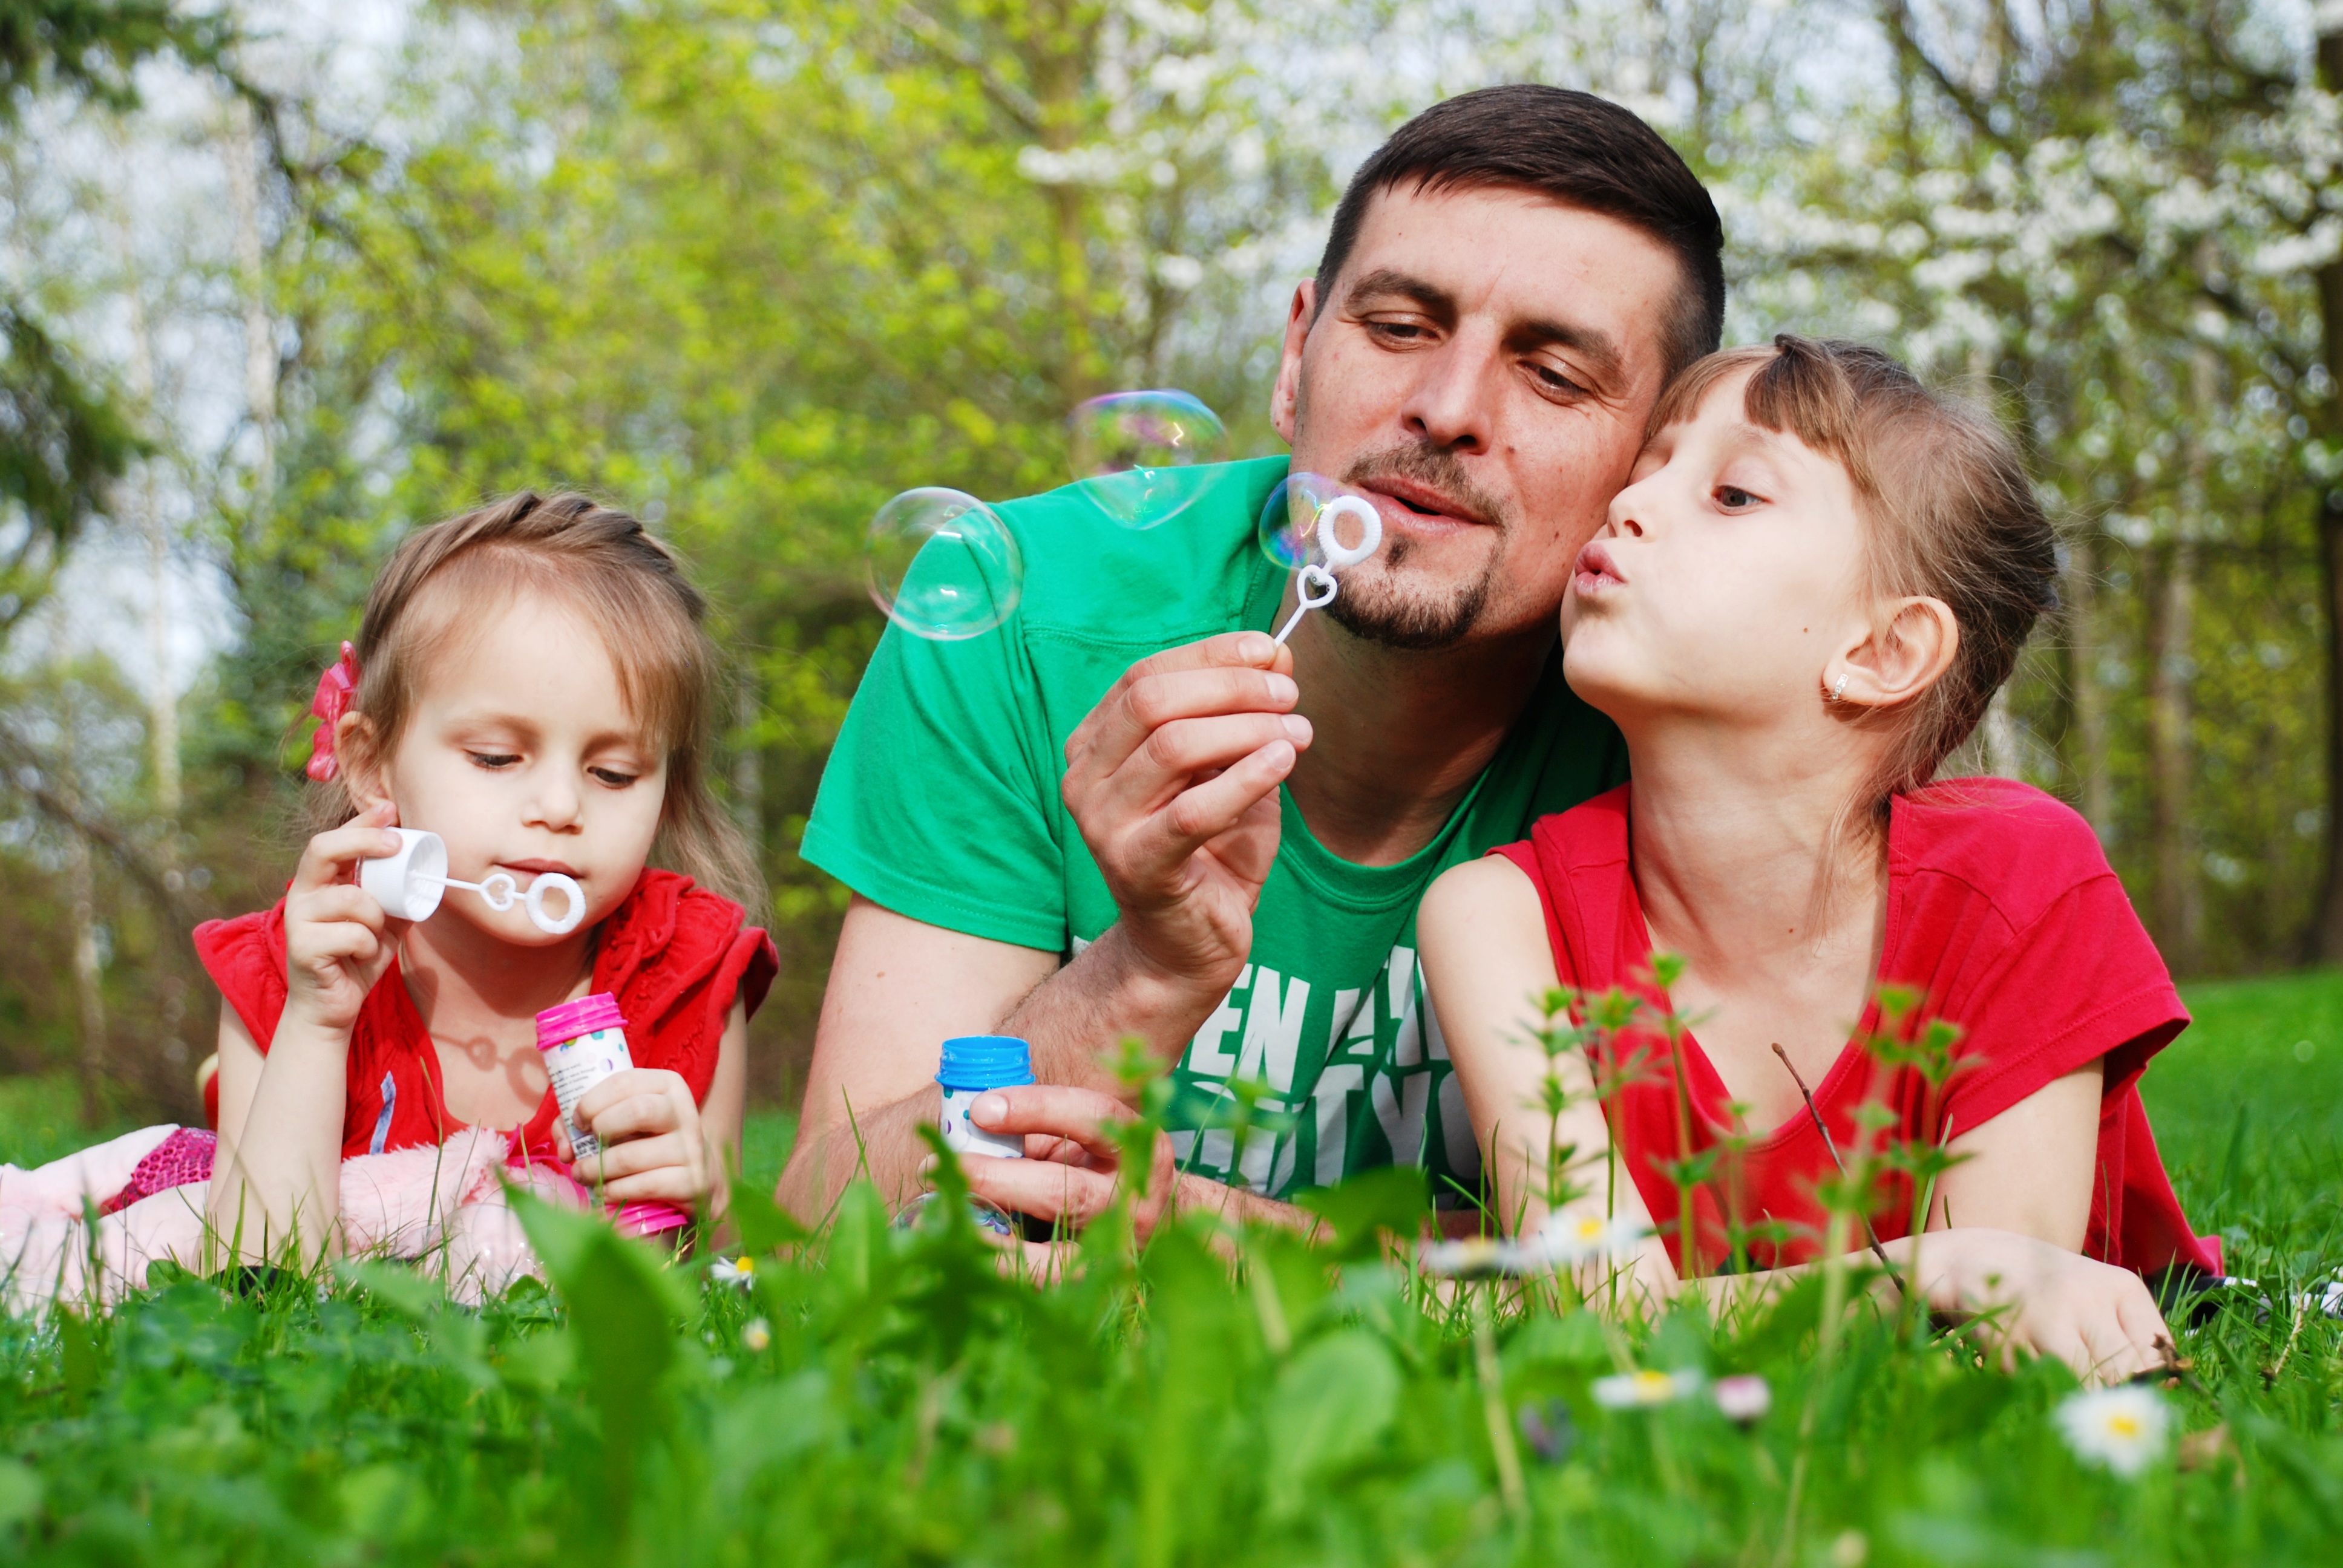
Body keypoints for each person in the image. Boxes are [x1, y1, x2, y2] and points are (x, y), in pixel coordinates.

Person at [782, 84, 1723, 1243]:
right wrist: (1142, 974)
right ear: (1295, 355)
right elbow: (822, 1218)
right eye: (1398, 327)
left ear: (1651, 467)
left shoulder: (1688, 718)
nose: (1445, 408)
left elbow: (1689, 1283)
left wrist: (1228, 1245)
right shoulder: (1012, 605)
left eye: (1553, 373)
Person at [1417, 337, 2218, 1380]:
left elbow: (1999, 1334)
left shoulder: (2018, 879)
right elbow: (1601, 1305)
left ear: (1882, 651)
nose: (1631, 504)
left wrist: (1968, 1273)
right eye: (1646, 466)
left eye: (1733, 493)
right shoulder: (1493, 913)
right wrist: (1931, 1266)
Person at [195, 491, 777, 1264]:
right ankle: (225, 1099)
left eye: (613, 772)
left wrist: (708, 1198)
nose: (561, 806)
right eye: (497, 758)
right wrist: (315, 1027)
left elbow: (727, 1284)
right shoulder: (291, 971)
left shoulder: (687, 972)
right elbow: (251, 1279)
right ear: (372, 764)